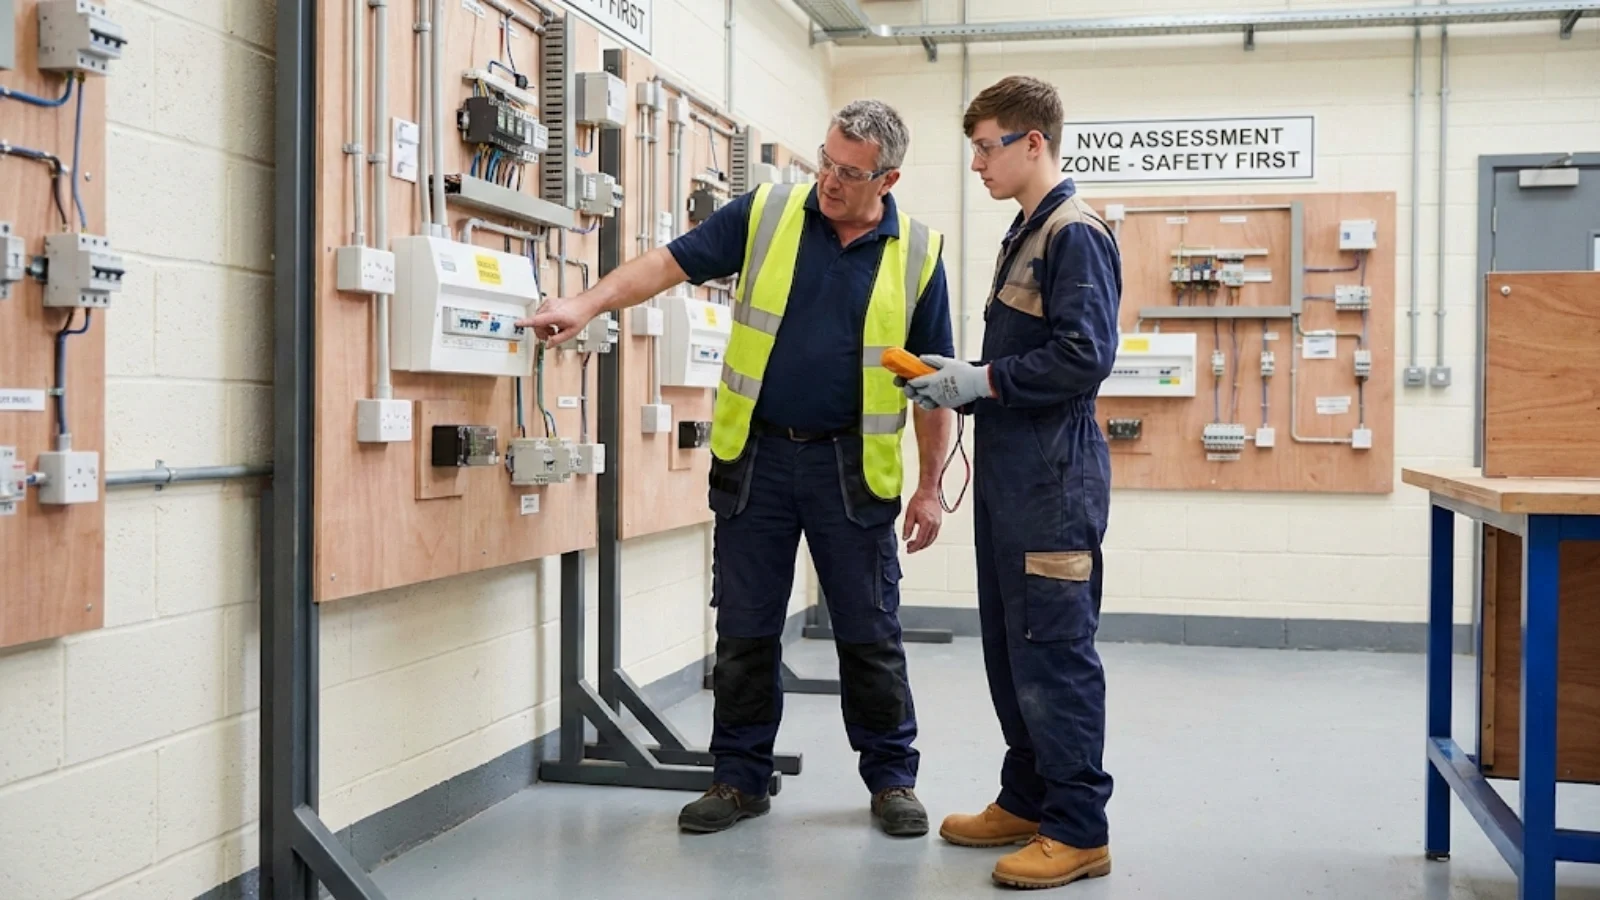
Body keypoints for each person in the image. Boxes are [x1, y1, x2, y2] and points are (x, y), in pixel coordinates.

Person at [524, 99, 955, 838]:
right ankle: (738, 779)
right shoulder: (770, 212)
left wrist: (930, 486)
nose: (829, 180)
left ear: (888, 179)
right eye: (825, 160)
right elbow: (670, 262)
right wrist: (588, 302)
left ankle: (891, 781)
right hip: (757, 459)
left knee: (868, 630)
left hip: (853, 469)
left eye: (849, 172)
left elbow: (932, 382)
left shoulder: (917, 253)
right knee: (746, 629)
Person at [899, 76, 1122, 889]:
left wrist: (980, 382)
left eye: (987, 147)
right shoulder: (1024, 232)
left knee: (1054, 649)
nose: (977, 165)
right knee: (1011, 644)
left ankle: (1078, 827)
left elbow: (1083, 356)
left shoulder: (1074, 232)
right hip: (1011, 476)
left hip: (1054, 481)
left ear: (1035, 143)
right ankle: (1027, 798)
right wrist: (954, 380)